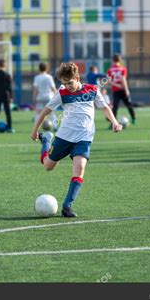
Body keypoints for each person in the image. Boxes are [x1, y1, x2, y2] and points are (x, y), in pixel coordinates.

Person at [31, 62, 123, 217]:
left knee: (79, 169)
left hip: (84, 138)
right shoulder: (62, 93)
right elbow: (44, 112)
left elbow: (105, 108)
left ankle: (67, 206)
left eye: (69, 82)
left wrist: (114, 122)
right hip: (64, 137)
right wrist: (35, 131)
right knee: (48, 166)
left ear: (77, 77)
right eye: (64, 83)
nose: (67, 86)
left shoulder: (92, 90)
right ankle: (46, 140)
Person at [107, 54, 135, 125]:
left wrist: (115, 84)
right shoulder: (123, 68)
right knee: (129, 105)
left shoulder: (110, 70)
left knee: (115, 107)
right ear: (120, 60)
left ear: (112, 60)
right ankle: (133, 119)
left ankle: (113, 123)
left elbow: (108, 81)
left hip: (116, 91)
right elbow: (123, 80)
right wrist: (127, 90)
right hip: (123, 90)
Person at [0, 59, 14, 133]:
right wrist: (11, 97)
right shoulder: (7, 75)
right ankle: (9, 128)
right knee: (8, 112)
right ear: (5, 65)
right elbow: (9, 87)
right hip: (6, 95)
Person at [32, 62, 57, 128]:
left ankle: (36, 128)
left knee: (38, 113)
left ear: (39, 69)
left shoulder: (37, 78)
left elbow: (36, 89)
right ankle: (55, 127)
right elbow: (53, 88)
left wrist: (34, 97)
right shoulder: (49, 77)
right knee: (51, 113)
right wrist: (57, 95)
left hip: (40, 97)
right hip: (48, 97)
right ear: (46, 68)